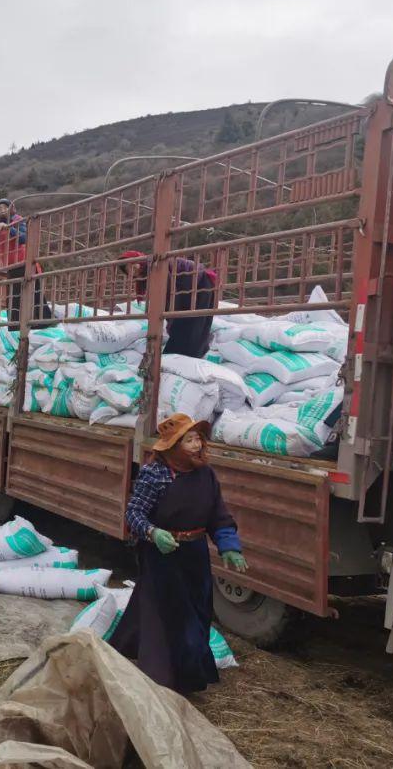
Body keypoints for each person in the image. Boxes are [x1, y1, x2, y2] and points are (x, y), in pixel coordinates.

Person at [109, 413, 247, 694]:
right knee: (167, 617)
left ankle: (186, 673)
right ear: (172, 446)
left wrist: (229, 546)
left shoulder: (206, 475)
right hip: (162, 556)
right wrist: (153, 533)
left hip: (194, 556)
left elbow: (218, 515)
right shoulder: (155, 474)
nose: (197, 446)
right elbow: (134, 513)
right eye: (189, 440)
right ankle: (164, 681)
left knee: (196, 615)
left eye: (198, 439)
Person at [118, 251, 216, 358]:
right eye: (128, 270)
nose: (132, 271)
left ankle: (191, 354)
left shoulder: (155, 267)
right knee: (183, 323)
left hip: (200, 283)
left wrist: (169, 319)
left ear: (139, 260)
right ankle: (184, 355)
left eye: (132, 265)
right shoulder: (146, 273)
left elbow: (169, 294)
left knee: (194, 322)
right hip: (186, 288)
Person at [0, 199, 48, 327]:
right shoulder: (1, 224)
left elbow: (24, 238)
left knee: (34, 294)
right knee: (13, 297)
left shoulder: (18, 220)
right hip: (12, 265)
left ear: (12, 208)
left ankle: (42, 323)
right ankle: (15, 326)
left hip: (25, 262)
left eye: (5, 207)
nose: (2, 210)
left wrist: (9, 229)